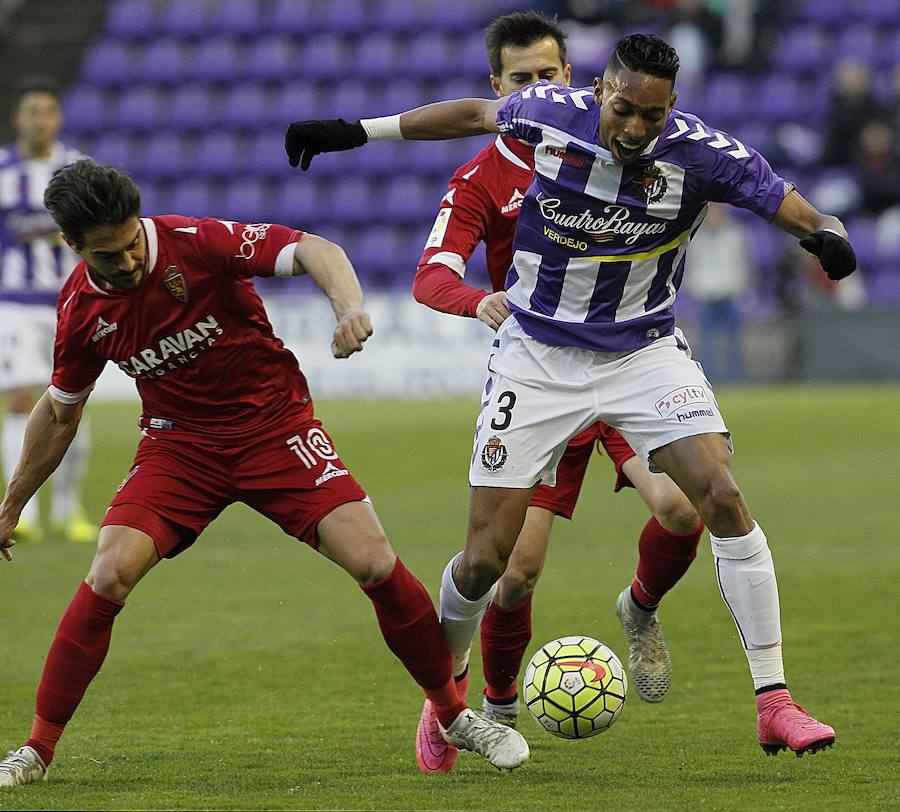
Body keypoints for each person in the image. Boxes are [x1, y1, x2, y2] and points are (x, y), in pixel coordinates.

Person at [284, 32, 857, 757]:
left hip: (644, 352)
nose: (634, 130)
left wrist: (827, 235)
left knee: (720, 497)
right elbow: (470, 115)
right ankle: (445, 700)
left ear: (671, 107)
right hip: (538, 356)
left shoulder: (702, 153)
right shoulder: (549, 113)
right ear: (599, 92)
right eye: (623, 110)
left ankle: (775, 699)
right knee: (488, 562)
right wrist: (355, 132)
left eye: (651, 117)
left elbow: (788, 203)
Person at [0, 160, 530, 788]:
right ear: (73, 246)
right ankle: (36, 750)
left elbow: (315, 249)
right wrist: (11, 507)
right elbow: (59, 414)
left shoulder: (198, 243)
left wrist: (348, 308)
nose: (130, 263)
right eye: (109, 256)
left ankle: (450, 714)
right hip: (179, 449)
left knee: (375, 562)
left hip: (275, 430)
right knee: (109, 572)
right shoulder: (82, 313)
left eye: (132, 244)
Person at [411, 11, 703, 774]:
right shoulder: (481, 176)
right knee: (513, 571)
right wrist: (476, 300)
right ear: (497, 90)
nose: (538, 88)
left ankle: (639, 609)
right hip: (544, 374)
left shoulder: (627, 146)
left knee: (683, 508)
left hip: (628, 361)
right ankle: (485, 707)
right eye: (522, 80)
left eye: (550, 75)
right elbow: (431, 273)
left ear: (574, 79)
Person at [0, 78, 94, 544]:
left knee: (73, 403)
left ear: (58, 119)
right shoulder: (0, 170)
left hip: (71, 301)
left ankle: (67, 508)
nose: (39, 119)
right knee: (19, 398)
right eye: (31, 110)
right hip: (15, 302)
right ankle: (27, 513)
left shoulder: (75, 169)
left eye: (47, 111)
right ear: (19, 117)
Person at [682, 203, 753, 382]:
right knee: (706, 342)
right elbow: (691, 266)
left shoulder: (734, 234)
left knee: (733, 341)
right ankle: (707, 378)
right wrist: (696, 287)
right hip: (706, 295)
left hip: (729, 294)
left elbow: (742, 262)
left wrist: (739, 286)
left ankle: (736, 379)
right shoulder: (697, 238)